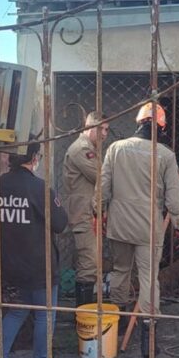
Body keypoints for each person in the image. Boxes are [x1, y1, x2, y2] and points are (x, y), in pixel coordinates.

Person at [99, 101, 179, 358]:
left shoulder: (115, 149)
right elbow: (174, 199)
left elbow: (103, 188)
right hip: (149, 228)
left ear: (138, 122)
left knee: (120, 272)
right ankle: (149, 340)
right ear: (161, 126)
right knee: (149, 279)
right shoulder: (166, 155)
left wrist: (98, 213)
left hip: (119, 225)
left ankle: (116, 326)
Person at [0, 141, 68, 358]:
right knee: (45, 314)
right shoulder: (39, 189)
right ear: (34, 157)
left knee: (16, 311)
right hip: (38, 264)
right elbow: (60, 223)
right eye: (39, 155)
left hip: (10, 262)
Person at [62, 111, 109, 307]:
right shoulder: (81, 149)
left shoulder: (90, 148)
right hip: (83, 213)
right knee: (88, 264)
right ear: (90, 128)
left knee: (93, 263)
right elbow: (101, 175)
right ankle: (83, 316)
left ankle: (86, 313)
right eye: (102, 129)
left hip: (90, 212)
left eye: (107, 130)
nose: (105, 134)